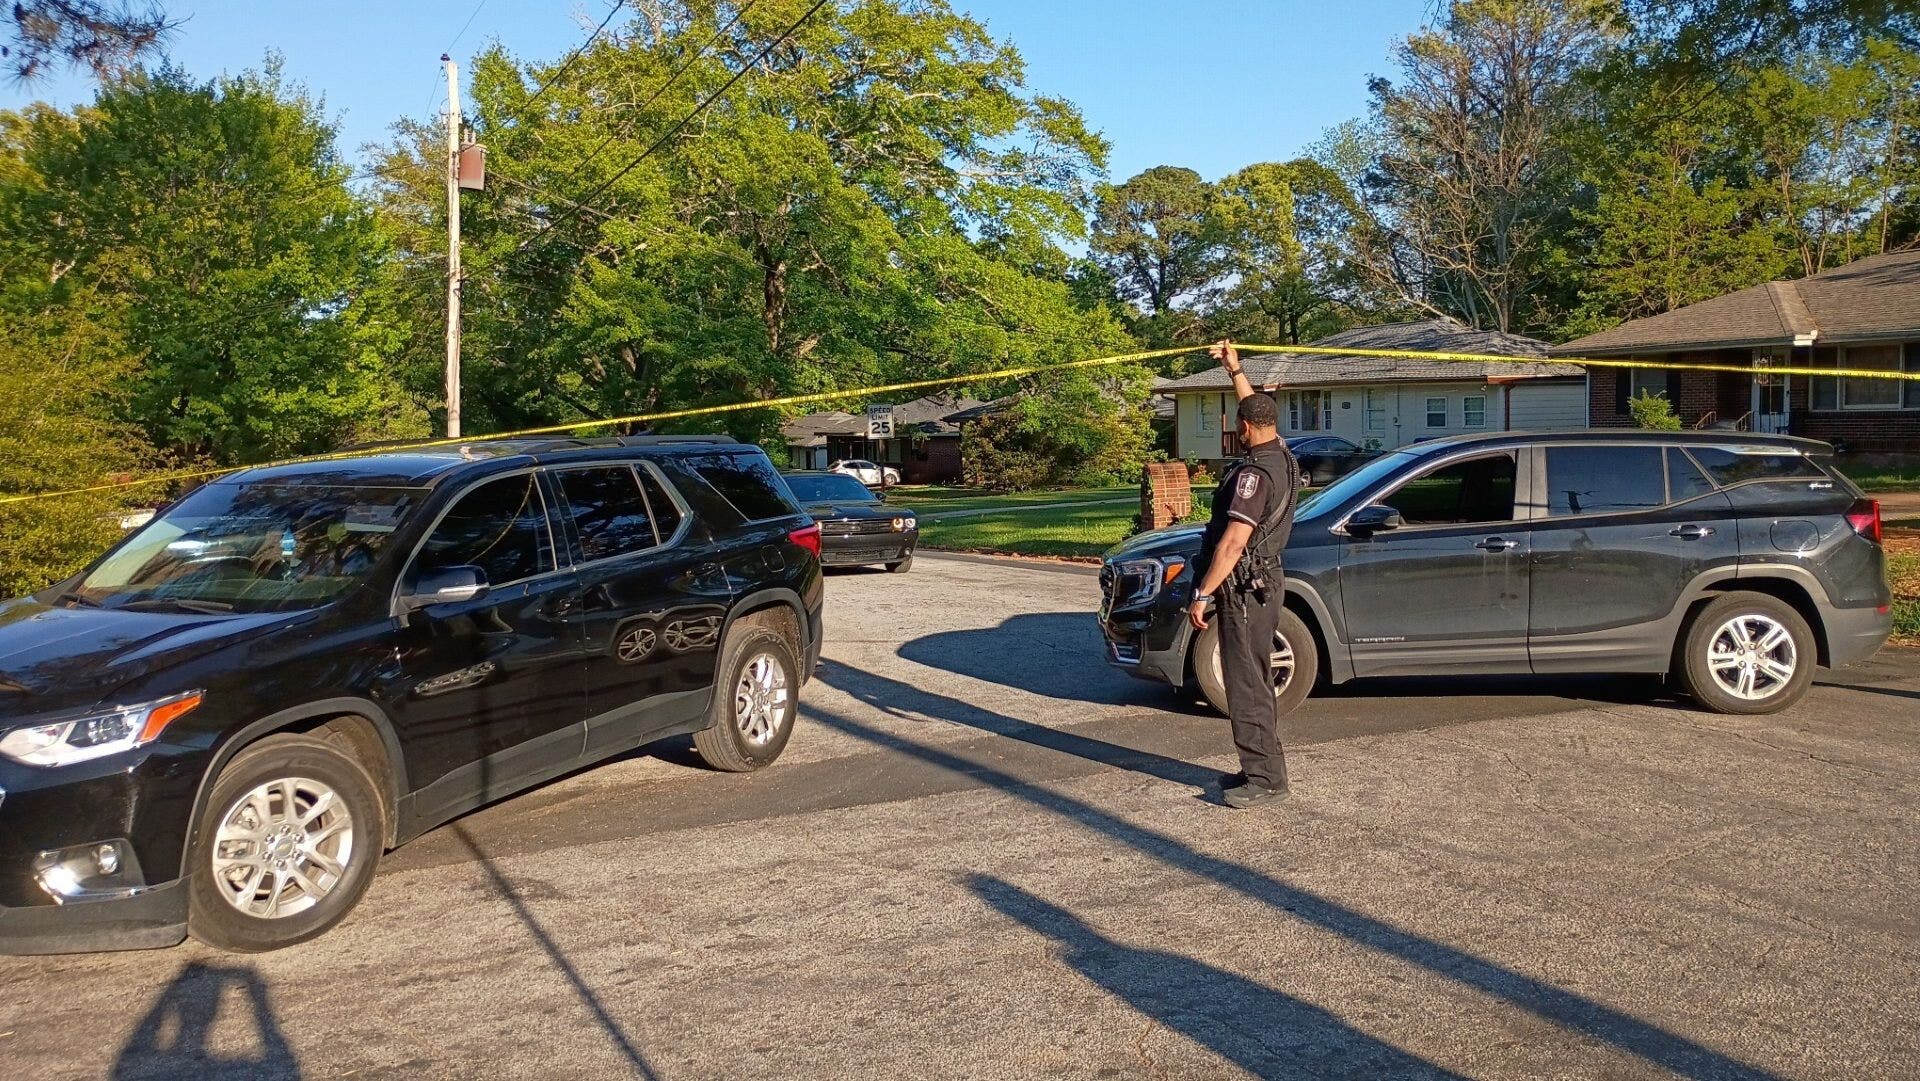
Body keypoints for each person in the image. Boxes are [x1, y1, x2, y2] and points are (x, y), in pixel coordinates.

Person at [1187, 340, 1299, 809]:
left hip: (1245, 589)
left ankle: (1266, 782)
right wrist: (1236, 370)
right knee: (1250, 678)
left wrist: (1202, 593)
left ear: (1243, 427)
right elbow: (1255, 407)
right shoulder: (1282, 454)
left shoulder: (1254, 476)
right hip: (1265, 583)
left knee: (1247, 681)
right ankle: (1259, 766)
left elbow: (1233, 542)